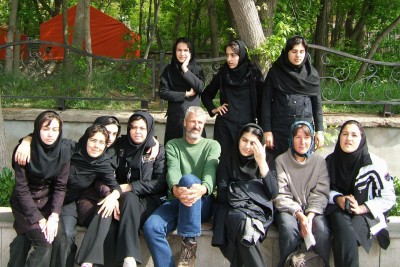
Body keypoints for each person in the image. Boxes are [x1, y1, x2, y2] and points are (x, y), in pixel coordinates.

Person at [76, 111, 167, 267]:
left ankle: (95, 259)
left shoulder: (158, 151)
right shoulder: (120, 146)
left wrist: (130, 186)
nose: (137, 132)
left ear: (149, 130)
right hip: (121, 199)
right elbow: (103, 173)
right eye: (133, 127)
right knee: (112, 211)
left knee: (129, 199)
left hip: (147, 202)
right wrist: (113, 194)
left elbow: (160, 183)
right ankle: (128, 258)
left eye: (142, 128)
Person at [142, 106, 221, 267]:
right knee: (151, 227)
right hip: (177, 199)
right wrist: (176, 189)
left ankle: (189, 243)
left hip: (202, 202)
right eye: (193, 121)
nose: (196, 125)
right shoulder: (173, 145)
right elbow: (173, 170)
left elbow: (210, 171)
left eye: (200, 122)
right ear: (185, 123)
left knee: (189, 179)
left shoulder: (212, 145)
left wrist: (204, 188)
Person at [325, 120, 396, 267]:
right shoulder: (330, 161)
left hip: (366, 213)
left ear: (361, 138)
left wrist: (362, 208)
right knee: (341, 224)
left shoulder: (374, 164)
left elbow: (389, 198)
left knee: (344, 237)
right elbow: (323, 190)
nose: (348, 139)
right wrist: (338, 198)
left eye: (354, 135)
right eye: (344, 134)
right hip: (338, 209)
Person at [8, 110, 71, 267]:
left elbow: (60, 186)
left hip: (48, 203)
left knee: (61, 238)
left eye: (55, 129)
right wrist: (39, 219)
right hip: (25, 205)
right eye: (45, 129)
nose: (50, 134)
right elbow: (21, 189)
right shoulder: (24, 151)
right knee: (44, 242)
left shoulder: (63, 151)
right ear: (37, 129)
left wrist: (54, 216)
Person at [212, 123, 277, 267]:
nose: (247, 146)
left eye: (253, 142)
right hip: (231, 210)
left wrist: (261, 163)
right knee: (244, 226)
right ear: (238, 139)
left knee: (246, 226)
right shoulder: (227, 158)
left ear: (260, 145)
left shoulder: (267, 160)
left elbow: (272, 192)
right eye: (244, 140)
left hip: (259, 212)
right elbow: (222, 194)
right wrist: (254, 188)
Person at [273, 121, 330, 267]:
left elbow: (321, 193)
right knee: (288, 229)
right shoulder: (281, 161)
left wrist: (309, 216)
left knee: (322, 231)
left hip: (312, 210)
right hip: (289, 210)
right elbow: (281, 194)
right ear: (291, 139)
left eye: (306, 137)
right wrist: (299, 215)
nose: (302, 142)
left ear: (312, 140)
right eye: (298, 137)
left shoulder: (319, 162)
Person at [260, 35, 324, 160]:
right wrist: (267, 131)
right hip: (280, 130)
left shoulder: (312, 74)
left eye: (301, 52)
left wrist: (320, 130)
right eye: (294, 51)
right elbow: (266, 102)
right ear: (287, 52)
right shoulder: (275, 72)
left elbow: (317, 104)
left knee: (303, 167)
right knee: (277, 165)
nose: (298, 55)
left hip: (304, 132)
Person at [201, 40, 264, 155]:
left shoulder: (253, 74)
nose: (229, 59)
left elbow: (262, 102)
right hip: (225, 127)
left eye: (233, 55)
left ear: (242, 55)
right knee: (223, 162)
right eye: (227, 55)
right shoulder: (223, 73)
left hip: (247, 128)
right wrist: (213, 109)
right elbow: (206, 95)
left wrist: (261, 127)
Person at [159, 37, 205, 145]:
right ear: (175, 52)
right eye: (179, 50)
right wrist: (185, 94)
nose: (182, 53)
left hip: (193, 117)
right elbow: (163, 92)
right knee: (173, 150)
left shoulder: (197, 69)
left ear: (190, 52)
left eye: (185, 50)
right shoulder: (169, 70)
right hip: (175, 117)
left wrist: (185, 69)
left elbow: (200, 87)